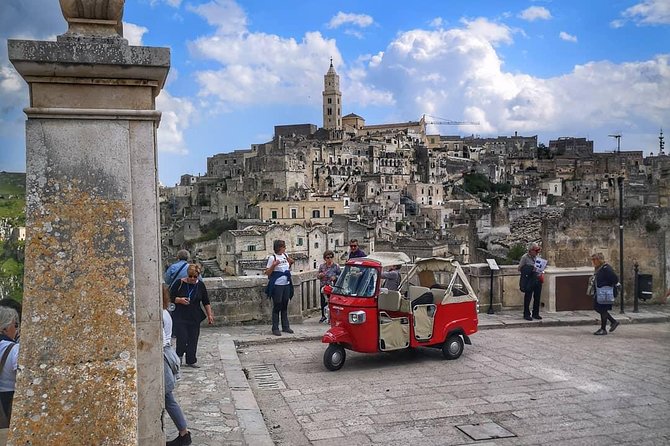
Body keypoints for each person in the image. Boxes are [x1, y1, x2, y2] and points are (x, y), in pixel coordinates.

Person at [169, 264, 214, 368]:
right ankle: (178, 357)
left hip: (194, 316)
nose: (192, 279)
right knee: (182, 338)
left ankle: (191, 360)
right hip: (180, 316)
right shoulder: (179, 283)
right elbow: (170, 297)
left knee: (193, 339)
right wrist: (179, 300)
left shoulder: (200, 285)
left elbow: (206, 301)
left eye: (195, 277)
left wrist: (209, 315)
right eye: (190, 276)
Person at [162, 289, 192, 446]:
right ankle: (183, 433)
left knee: (168, 397)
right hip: (168, 353)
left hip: (163, 355)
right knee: (167, 397)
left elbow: (159, 340)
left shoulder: (161, 314)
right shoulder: (165, 311)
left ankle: (184, 433)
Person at [265, 240, 295, 336]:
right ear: (279, 247)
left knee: (285, 304)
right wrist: (273, 265)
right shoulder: (272, 258)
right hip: (277, 285)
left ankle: (285, 326)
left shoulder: (285, 256)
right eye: (283, 247)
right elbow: (268, 273)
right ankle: (275, 327)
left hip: (286, 283)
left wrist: (291, 263)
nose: (285, 248)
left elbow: (287, 268)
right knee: (277, 305)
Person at [589, 252, 620, 336]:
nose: (593, 262)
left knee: (603, 309)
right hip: (600, 292)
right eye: (592, 260)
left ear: (599, 260)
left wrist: (607, 286)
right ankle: (613, 321)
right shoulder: (600, 268)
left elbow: (615, 279)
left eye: (594, 260)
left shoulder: (606, 268)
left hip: (606, 292)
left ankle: (603, 329)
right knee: (598, 308)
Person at [0, 307, 19, 429]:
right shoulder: (14, 349)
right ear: (5, 328)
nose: (17, 329)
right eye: (15, 324)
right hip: (9, 401)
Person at [518, 242, 543, 321]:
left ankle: (535, 313)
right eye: (535, 251)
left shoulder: (537, 257)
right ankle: (526, 314)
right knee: (528, 297)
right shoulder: (525, 257)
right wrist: (530, 269)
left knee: (537, 297)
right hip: (529, 279)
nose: (537, 252)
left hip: (537, 279)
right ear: (531, 250)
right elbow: (520, 268)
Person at [317, 250, 340, 323]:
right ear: (325, 258)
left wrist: (335, 277)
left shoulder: (336, 266)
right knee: (323, 302)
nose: (329, 259)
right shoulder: (322, 266)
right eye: (327, 257)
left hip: (332, 287)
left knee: (332, 302)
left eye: (331, 257)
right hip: (323, 286)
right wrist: (320, 275)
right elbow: (318, 275)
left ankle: (332, 317)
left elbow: (340, 276)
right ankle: (323, 316)